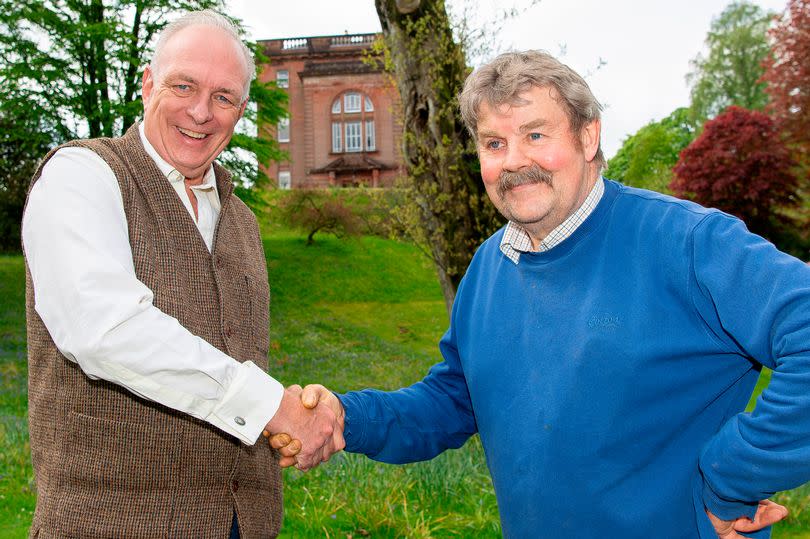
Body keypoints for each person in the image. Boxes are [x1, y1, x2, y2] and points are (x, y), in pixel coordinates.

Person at [277, 50, 810, 538]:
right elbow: (453, 401)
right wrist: (346, 417)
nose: (513, 161)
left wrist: (732, 477)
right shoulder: (489, 265)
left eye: (536, 135)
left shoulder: (687, 242)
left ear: (588, 136)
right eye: (494, 143)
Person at [22, 10, 340, 538]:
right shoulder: (82, 175)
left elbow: (236, 358)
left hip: (246, 524)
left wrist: (302, 411)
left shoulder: (243, 221)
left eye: (223, 97)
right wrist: (271, 407)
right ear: (148, 86)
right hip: (106, 524)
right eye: (183, 85)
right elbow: (103, 328)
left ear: (241, 109)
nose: (201, 112)